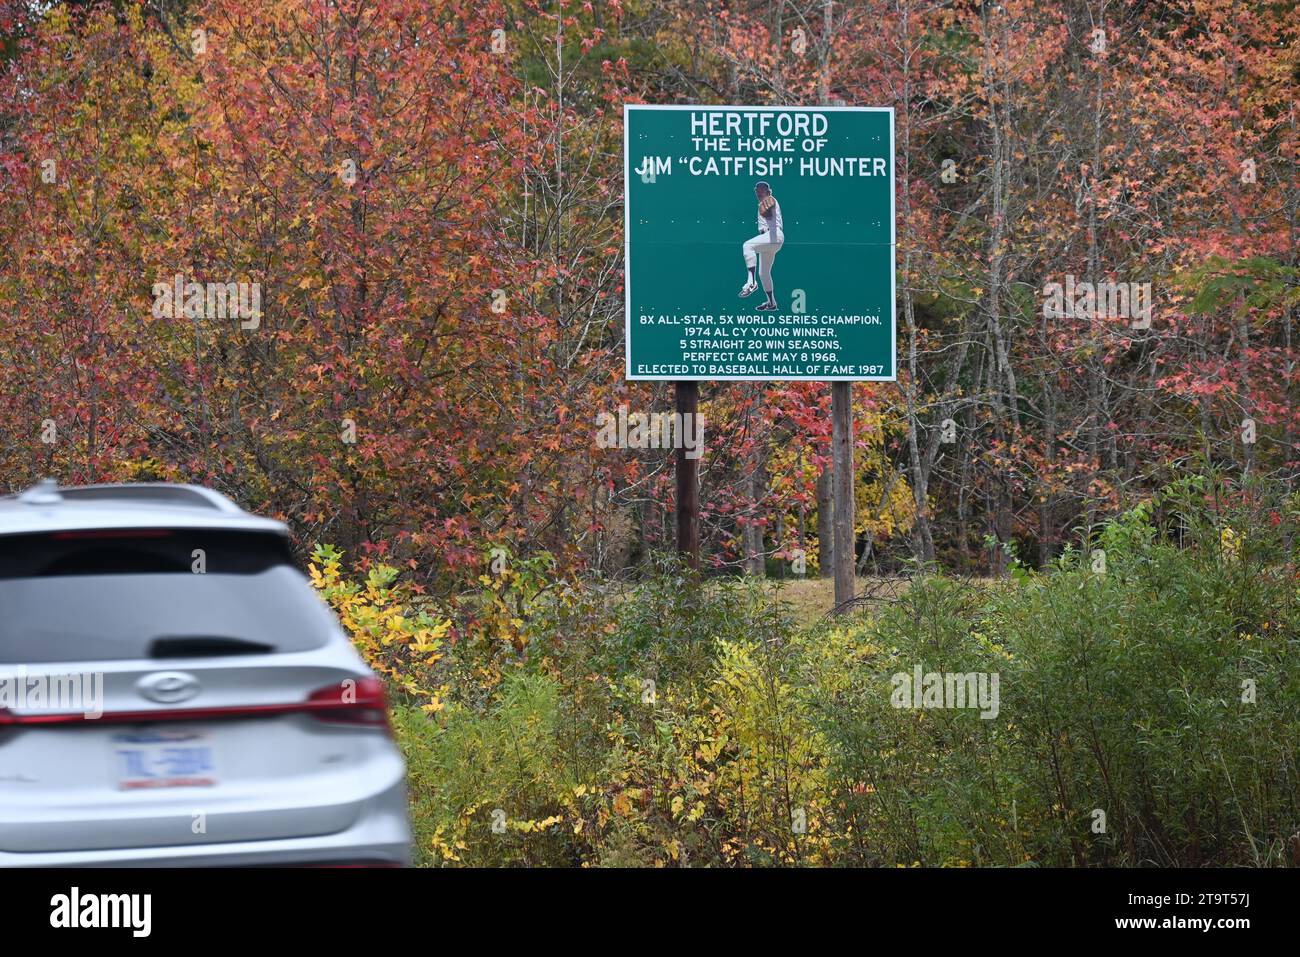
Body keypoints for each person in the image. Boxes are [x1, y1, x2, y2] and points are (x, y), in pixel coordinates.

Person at [739, 181, 783, 312]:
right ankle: (771, 303)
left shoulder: (770, 199)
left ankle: (751, 283)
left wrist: (766, 207)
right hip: (770, 241)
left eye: (761, 190)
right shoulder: (760, 205)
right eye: (757, 191)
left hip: (775, 236)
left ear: (768, 192)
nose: (758, 193)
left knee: (747, 246)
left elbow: (769, 205)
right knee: (763, 273)